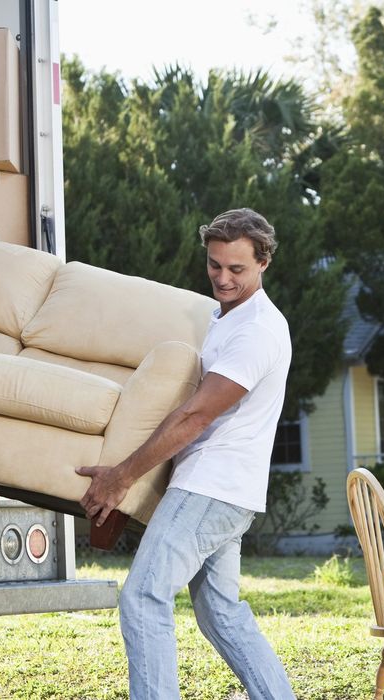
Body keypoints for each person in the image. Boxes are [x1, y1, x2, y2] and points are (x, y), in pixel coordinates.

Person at [77, 208, 295, 700]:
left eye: (236, 269)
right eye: (215, 265)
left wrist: (122, 475)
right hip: (225, 487)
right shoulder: (227, 317)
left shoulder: (257, 330)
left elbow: (196, 416)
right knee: (221, 614)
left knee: (142, 597)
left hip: (211, 487)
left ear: (264, 263)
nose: (222, 278)